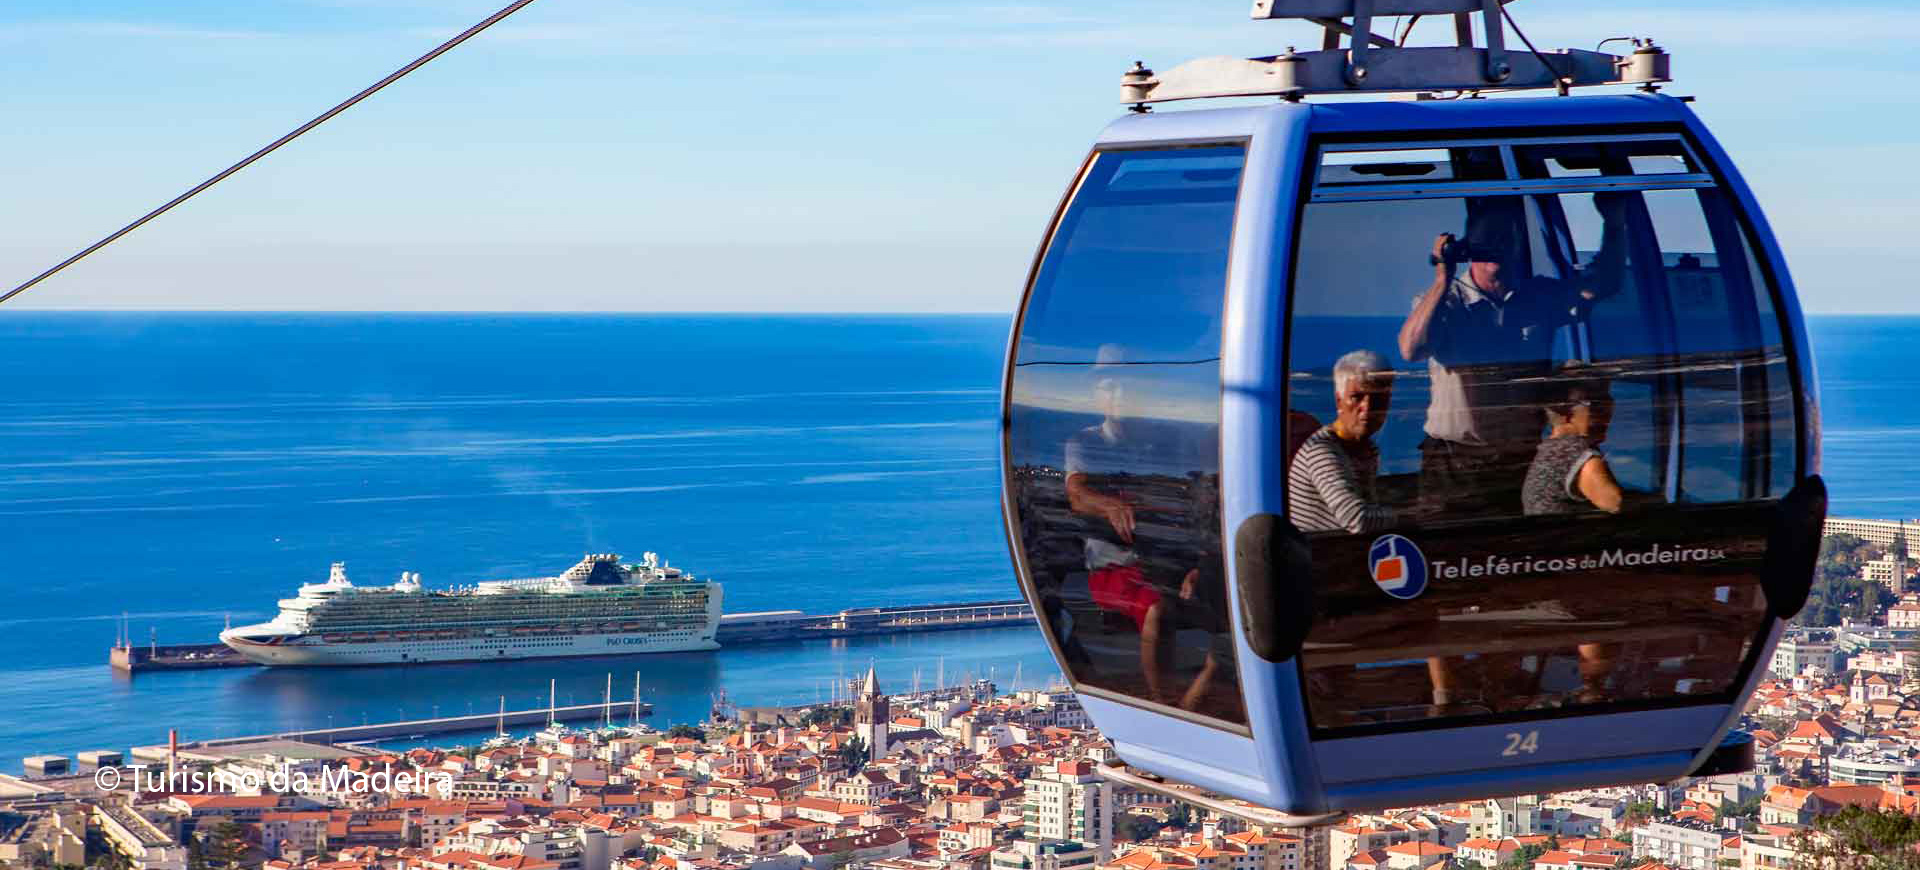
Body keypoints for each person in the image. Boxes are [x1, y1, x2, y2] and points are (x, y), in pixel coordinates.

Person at [1397, 195, 1628, 520]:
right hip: (1455, 464)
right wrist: (1442, 278)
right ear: (1469, 249)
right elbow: (1411, 349)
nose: (1497, 250)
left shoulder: (1538, 297)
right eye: (1487, 241)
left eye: (1506, 239)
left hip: (1520, 458)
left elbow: (1604, 284)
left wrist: (1614, 225)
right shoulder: (1445, 303)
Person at [1064, 344, 1218, 707]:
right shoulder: (1085, 443)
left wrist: (1195, 563)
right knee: (1157, 608)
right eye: (1109, 385)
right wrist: (1108, 505)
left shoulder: (1162, 445)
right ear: (1097, 394)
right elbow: (1076, 493)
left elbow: (1189, 504)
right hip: (1115, 567)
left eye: (1125, 385)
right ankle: (1162, 701)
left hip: (1167, 559)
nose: (1117, 393)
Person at [1289, 350, 1397, 534]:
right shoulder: (1321, 451)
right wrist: (1411, 515)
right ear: (1339, 401)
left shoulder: (1367, 448)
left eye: (1378, 398)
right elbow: (1356, 519)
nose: (1368, 408)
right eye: (1357, 397)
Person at [1523, 365, 1624, 515]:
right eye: (1597, 405)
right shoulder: (1575, 453)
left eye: (1609, 402)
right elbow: (1618, 506)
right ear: (1566, 413)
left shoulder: (1550, 449)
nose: (1608, 414)